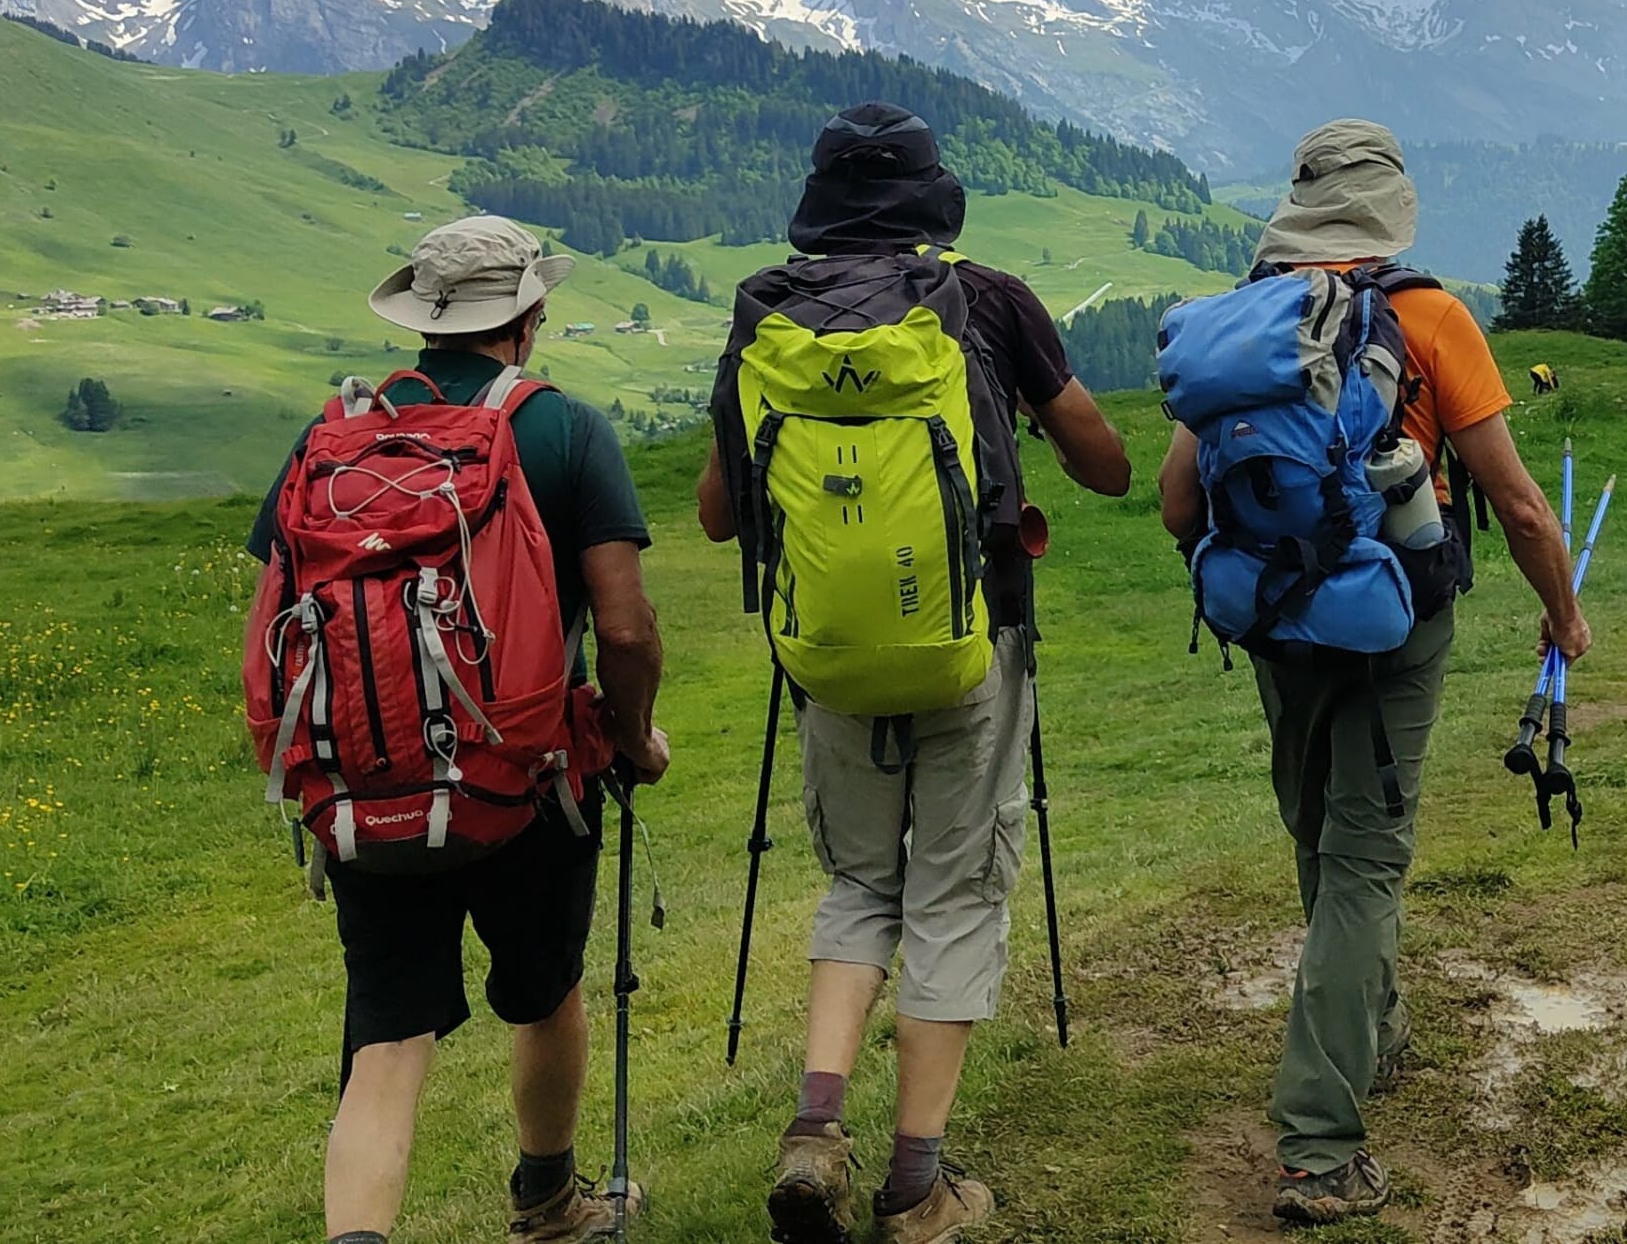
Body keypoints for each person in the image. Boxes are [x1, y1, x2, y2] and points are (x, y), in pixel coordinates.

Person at [696, 105, 1134, 1244]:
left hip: (828, 660)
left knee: (858, 885)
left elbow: (713, 511)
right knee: (954, 888)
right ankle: (916, 1185)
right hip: (971, 641)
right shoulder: (984, 300)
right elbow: (1107, 465)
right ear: (934, 197)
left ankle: (815, 1128)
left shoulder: (767, 311)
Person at [1154, 121, 1592, 1226]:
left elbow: (1174, 500)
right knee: (1364, 861)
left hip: (1272, 617)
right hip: (1398, 619)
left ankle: (1373, 1031)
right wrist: (1564, 614)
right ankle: (1319, 1146)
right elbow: (1521, 504)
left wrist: (1259, 582)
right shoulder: (1431, 315)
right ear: (1392, 206)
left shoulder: (1243, 320)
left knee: (1319, 832)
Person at [250, 215, 670, 1244]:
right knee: (545, 990)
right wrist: (631, 732)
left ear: (424, 324)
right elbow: (622, 623)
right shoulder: (564, 430)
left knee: (387, 1037)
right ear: (527, 318)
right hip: (526, 781)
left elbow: (277, 608)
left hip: (363, 780)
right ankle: (548, 1202)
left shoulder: (335, 436)